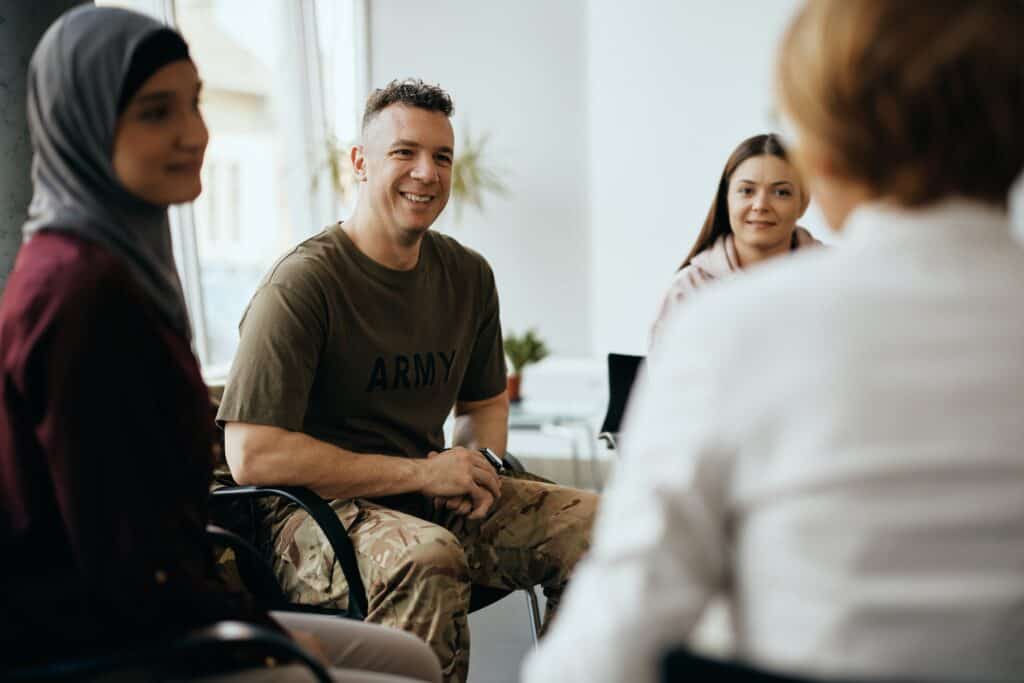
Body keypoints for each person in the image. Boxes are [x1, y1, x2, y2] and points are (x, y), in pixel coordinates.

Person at [524, 1, 1024, 682]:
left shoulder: (733, 330)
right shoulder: (704, 303)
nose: (763, 204)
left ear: (818, 158)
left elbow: (608, 644)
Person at [0, 7, 440, 682]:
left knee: (410, 657)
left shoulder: (125, 264)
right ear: (85, 125)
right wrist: (256, 637)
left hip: (152, 602)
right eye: (155, 113)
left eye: (194, 104)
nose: (193, 134)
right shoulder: (80, 295)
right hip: (97, 635)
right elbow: (122, 557)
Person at [216, 78, 597, 683]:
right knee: (427, 558)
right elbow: (252, 454)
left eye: (441, 157)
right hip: (307, 518)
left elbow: (484, 402)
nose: (426, 172)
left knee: (602, 527)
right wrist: (423, 472)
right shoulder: (302, 285)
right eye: (405, 153)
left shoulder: (468, 276)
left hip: (422, 498)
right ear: (361, 164)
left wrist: (473, 465)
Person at [650, 133, 819, 347]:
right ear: (726, 200)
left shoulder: (840, 275)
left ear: (803, 204)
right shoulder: (689, 289)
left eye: (781, 192)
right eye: (747, 191)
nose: (760, 205)